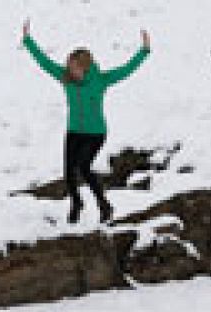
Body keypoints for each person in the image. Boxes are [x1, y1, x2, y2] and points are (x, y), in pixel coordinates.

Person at [22, 20, 151, 223]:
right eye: (69, 66)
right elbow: (44, 62)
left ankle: (104, 204)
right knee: (68, 170)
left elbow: (127, 69)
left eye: (74, 67)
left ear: (85, 67)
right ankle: (76, 203)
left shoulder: (101, 80)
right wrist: (28, 40)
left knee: (83, 166)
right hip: (74, 130)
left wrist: (144, 51)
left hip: (95, 133)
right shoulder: (65, 78)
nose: (70, 70)